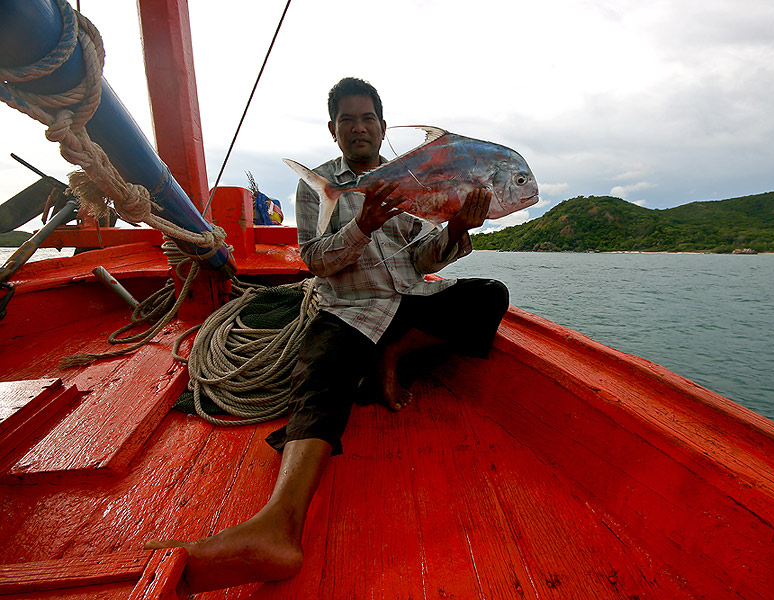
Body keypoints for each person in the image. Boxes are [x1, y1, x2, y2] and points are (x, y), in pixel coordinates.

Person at [145, 77, 509, 593]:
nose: (358, 128)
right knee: (321, 374)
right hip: (350, 308)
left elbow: (421, 260)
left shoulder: (415, 178)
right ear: (334, 131)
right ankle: (279, 524)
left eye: (367, 119)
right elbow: (315, 261)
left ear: (383, 128)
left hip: (408, 300)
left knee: (490, 295)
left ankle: (394, 356)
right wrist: (361, 225)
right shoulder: (316, 183)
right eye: (347, 121)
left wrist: (456, 231)